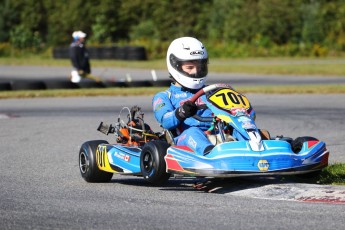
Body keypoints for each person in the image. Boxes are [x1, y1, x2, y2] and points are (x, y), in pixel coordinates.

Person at [152, 37, 215, 155]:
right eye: (190, 67)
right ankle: (210, 155)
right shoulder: (164, 96)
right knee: (193, 132)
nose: (196, 72)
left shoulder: (212, 91)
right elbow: (165, 120)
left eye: (200, 67)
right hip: (184, 139)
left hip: (217, 133)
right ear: (175, 65)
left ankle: (256, 148)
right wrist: (181, 112)